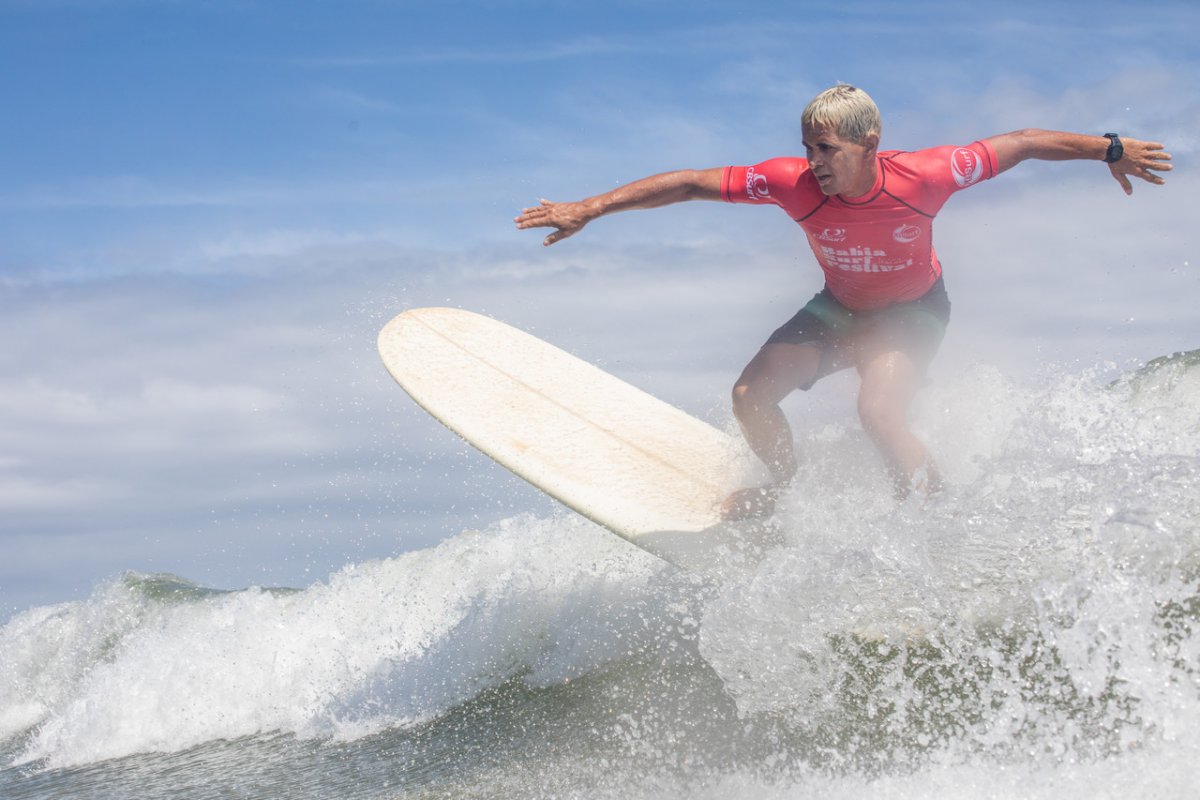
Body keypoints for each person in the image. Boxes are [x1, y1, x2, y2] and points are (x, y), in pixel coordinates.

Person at [514, 84, 1172, 520]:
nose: (813, 161)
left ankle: (934, 525)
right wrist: (591, 207)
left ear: (868, 145)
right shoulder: (790, 183)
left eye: (826, 149)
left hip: (912, 311)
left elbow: (1023, 142)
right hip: (839, 308)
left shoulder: (929, 175)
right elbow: (689, 183)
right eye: (807, 147)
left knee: (878, 413)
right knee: (749, 397)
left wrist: (1110, 149)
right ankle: (783, 491)